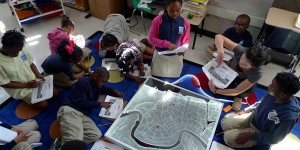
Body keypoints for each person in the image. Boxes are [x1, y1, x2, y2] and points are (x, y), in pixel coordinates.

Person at [221, 72, 300, 149]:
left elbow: (275, 138)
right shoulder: (273, 93)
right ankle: (241, 129)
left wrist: (252, 136)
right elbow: (261, 103)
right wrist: (246, 110)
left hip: (260, 132)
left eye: (272, 85)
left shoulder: (289, 116)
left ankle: (253, 141)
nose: (269, 86)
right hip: (252, 118)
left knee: (228, 138)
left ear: (282, 95)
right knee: (224, 123)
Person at [57, 67, 124, 145]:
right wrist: (100, 104)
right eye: (102, 81)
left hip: (82, 114)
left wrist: (113, 91)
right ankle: (70, 144)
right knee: (74, 143)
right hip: (71, 110)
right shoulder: (82, 83)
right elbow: (79, 101)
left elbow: (103, 88)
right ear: (95, 76)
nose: (103, 84)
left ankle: (66, 143)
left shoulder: (96, 83)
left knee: (95, 135)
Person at [208, 34, 271, 110]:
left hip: (244, 79)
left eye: (245, 64)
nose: (240, 63)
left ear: (254, 67)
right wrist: (221, 53)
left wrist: (216, 90)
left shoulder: (257, 73)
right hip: (232, 71)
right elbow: (219, 37)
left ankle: (239, 98)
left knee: (243, 92)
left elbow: (237, 90)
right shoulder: (241, 51)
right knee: (218, 94)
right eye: (241, 58)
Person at [0, 30, 59, 109]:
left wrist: (38, 74)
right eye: (16, 51)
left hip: (33, 80)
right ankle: (24, 98)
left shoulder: (20, 50)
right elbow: (4, 83)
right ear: (6, 47)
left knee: (55, 94)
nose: (18, 53)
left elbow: (31, 63)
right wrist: (26, 85)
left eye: (20, 50)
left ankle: (36, 96)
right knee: (44, 105)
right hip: (20, 88)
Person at [148, 0, 190, 78]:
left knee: (174, 80)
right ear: (166, 7)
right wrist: (167, 44)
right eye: (172, 11)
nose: (175, 14)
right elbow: (151, 38)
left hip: (176, 57)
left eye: (178, 10)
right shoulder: (158, 20)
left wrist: (184, 48)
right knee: (156, 79)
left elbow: (186, 40)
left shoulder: (185, 23)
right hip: (160, 56)